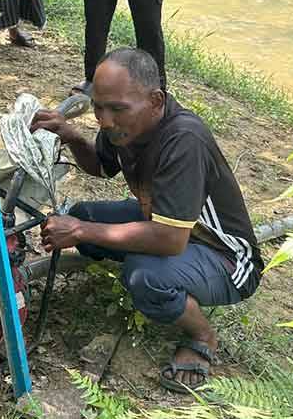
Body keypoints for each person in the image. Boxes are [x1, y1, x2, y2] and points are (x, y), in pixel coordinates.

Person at [31, 48, 262, 392]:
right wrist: (73, 135)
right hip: (162, 221)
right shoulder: (126, 125)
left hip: (224, 256)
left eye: (117, 109)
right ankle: (156, 272)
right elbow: (102, 166)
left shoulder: (183, 139)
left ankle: (202, 336)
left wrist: (80, 231)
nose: (105, 120)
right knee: (82, 215)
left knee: (144, 275)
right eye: (98, 107)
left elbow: (170, 239)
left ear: (155, 101)